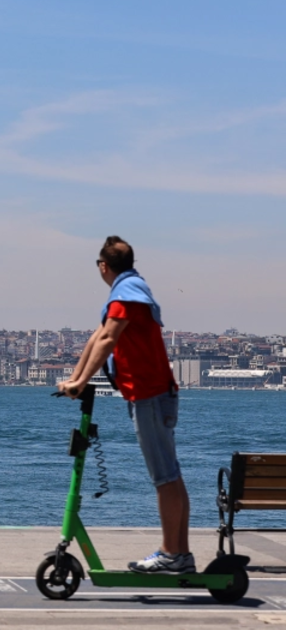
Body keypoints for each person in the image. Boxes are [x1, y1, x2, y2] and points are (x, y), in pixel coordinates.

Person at [57, 236, 192, 574]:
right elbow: (97, 336)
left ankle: (171, 554)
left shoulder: (126, 296)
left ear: (104, 266)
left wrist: (80, 382)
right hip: (151, 393)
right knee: (171, 475)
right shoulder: (129, 291)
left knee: (165, 476)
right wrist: (75, 379)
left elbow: (107, 339)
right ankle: (181, 554)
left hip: (150, 395)